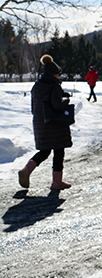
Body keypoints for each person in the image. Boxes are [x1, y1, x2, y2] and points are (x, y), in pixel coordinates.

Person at [19, 55, 73, 190]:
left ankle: (26, 170)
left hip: (40, 123)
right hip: (55, 124)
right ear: (54, 74)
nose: (59, 76)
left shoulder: (37, 86)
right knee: (59, 151)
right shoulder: (54, 85)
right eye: (58, 74)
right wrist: (65, 100)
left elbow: (35, 106)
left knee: (45, 151)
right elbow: (56, 105)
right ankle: (57, 182)